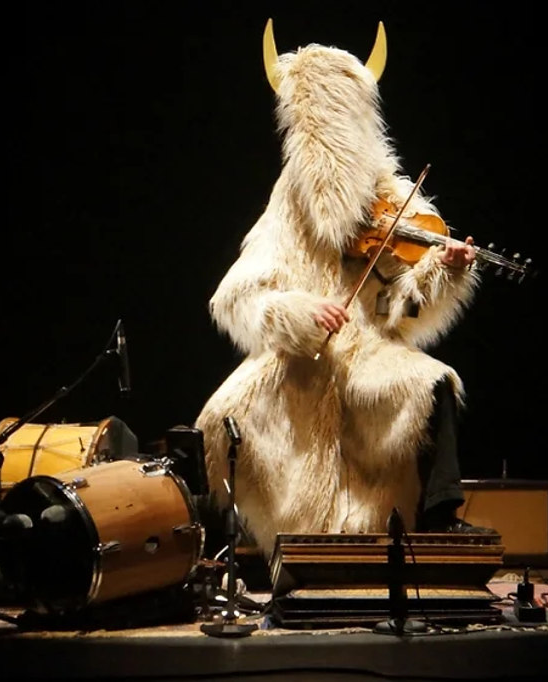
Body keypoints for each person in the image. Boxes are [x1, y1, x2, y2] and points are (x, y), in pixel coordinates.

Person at [194, 20, 494, 558]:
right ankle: (217, 546)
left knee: (435, 382)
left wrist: (442, 269)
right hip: (300, 359)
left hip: (370, 350)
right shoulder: (287, 205)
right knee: (222, 415)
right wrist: (298, 310)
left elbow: (400, 305)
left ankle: (440, 515)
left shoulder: (394, 198)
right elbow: (234, 298)